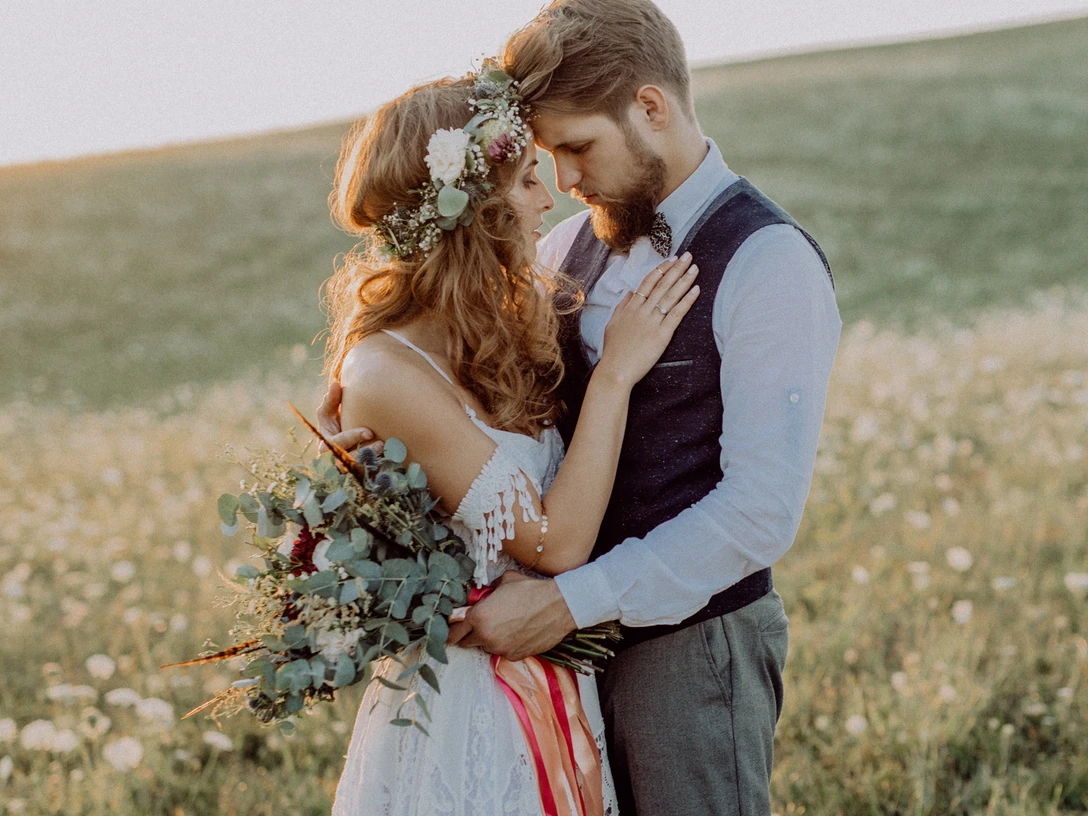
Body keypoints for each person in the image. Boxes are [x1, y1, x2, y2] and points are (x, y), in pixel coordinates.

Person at [324, 70, 700, 816]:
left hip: (553, 685)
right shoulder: (384, 371)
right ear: (473, 210)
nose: (550, 196)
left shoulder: (503, 327)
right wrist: (616, 376)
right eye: (528, 178)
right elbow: (554, 544)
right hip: (468, 712)